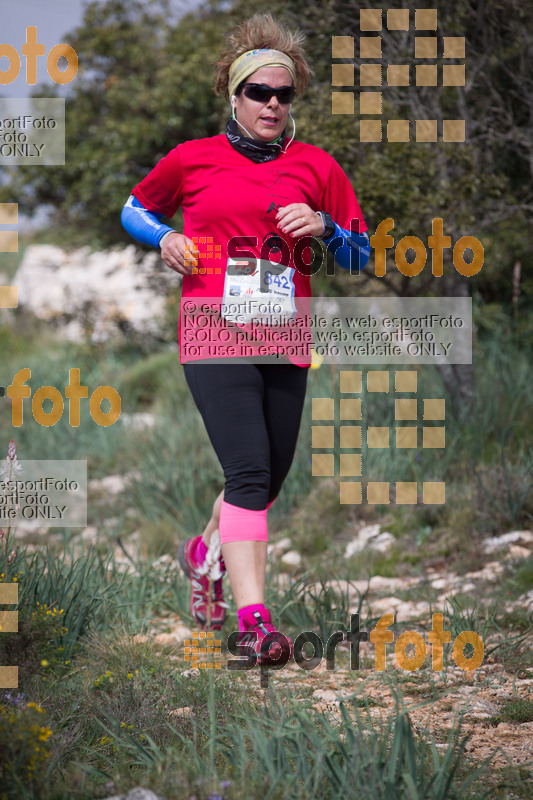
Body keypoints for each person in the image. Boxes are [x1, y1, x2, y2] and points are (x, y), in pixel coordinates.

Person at [121, 13, 370, 665]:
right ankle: (254, 619)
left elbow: (358, 254)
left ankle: (204, 558)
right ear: (234, 96)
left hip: (285, 334)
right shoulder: (191, 158)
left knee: (264, 480)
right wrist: (166, 237)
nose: (271, 104)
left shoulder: (318, 166)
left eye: (283, 94)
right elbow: (134, 208)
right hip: (212, 327)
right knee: (248, 470)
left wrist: (324, 228)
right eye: (259, 92)